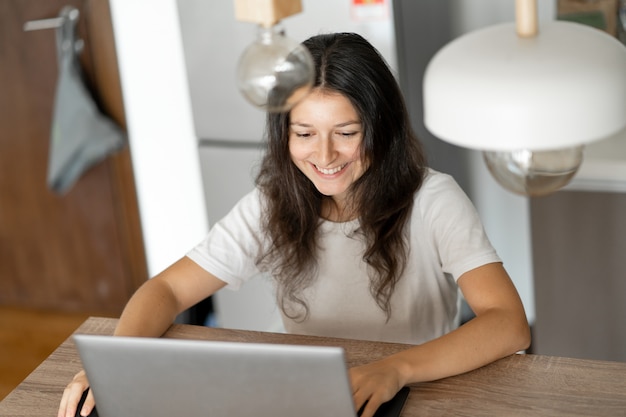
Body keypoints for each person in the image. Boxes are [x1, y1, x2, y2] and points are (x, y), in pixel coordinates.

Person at [59, 32, 530, 417]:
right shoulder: (272, 203)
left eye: (346, 134)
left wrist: (396, 370)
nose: (324, 156)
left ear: (381, 127)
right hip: (300, 396)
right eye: (304, 134)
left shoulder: (433, 200)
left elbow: (509, 324)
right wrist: (115, 367)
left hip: (412, 390)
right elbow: (168, 290)